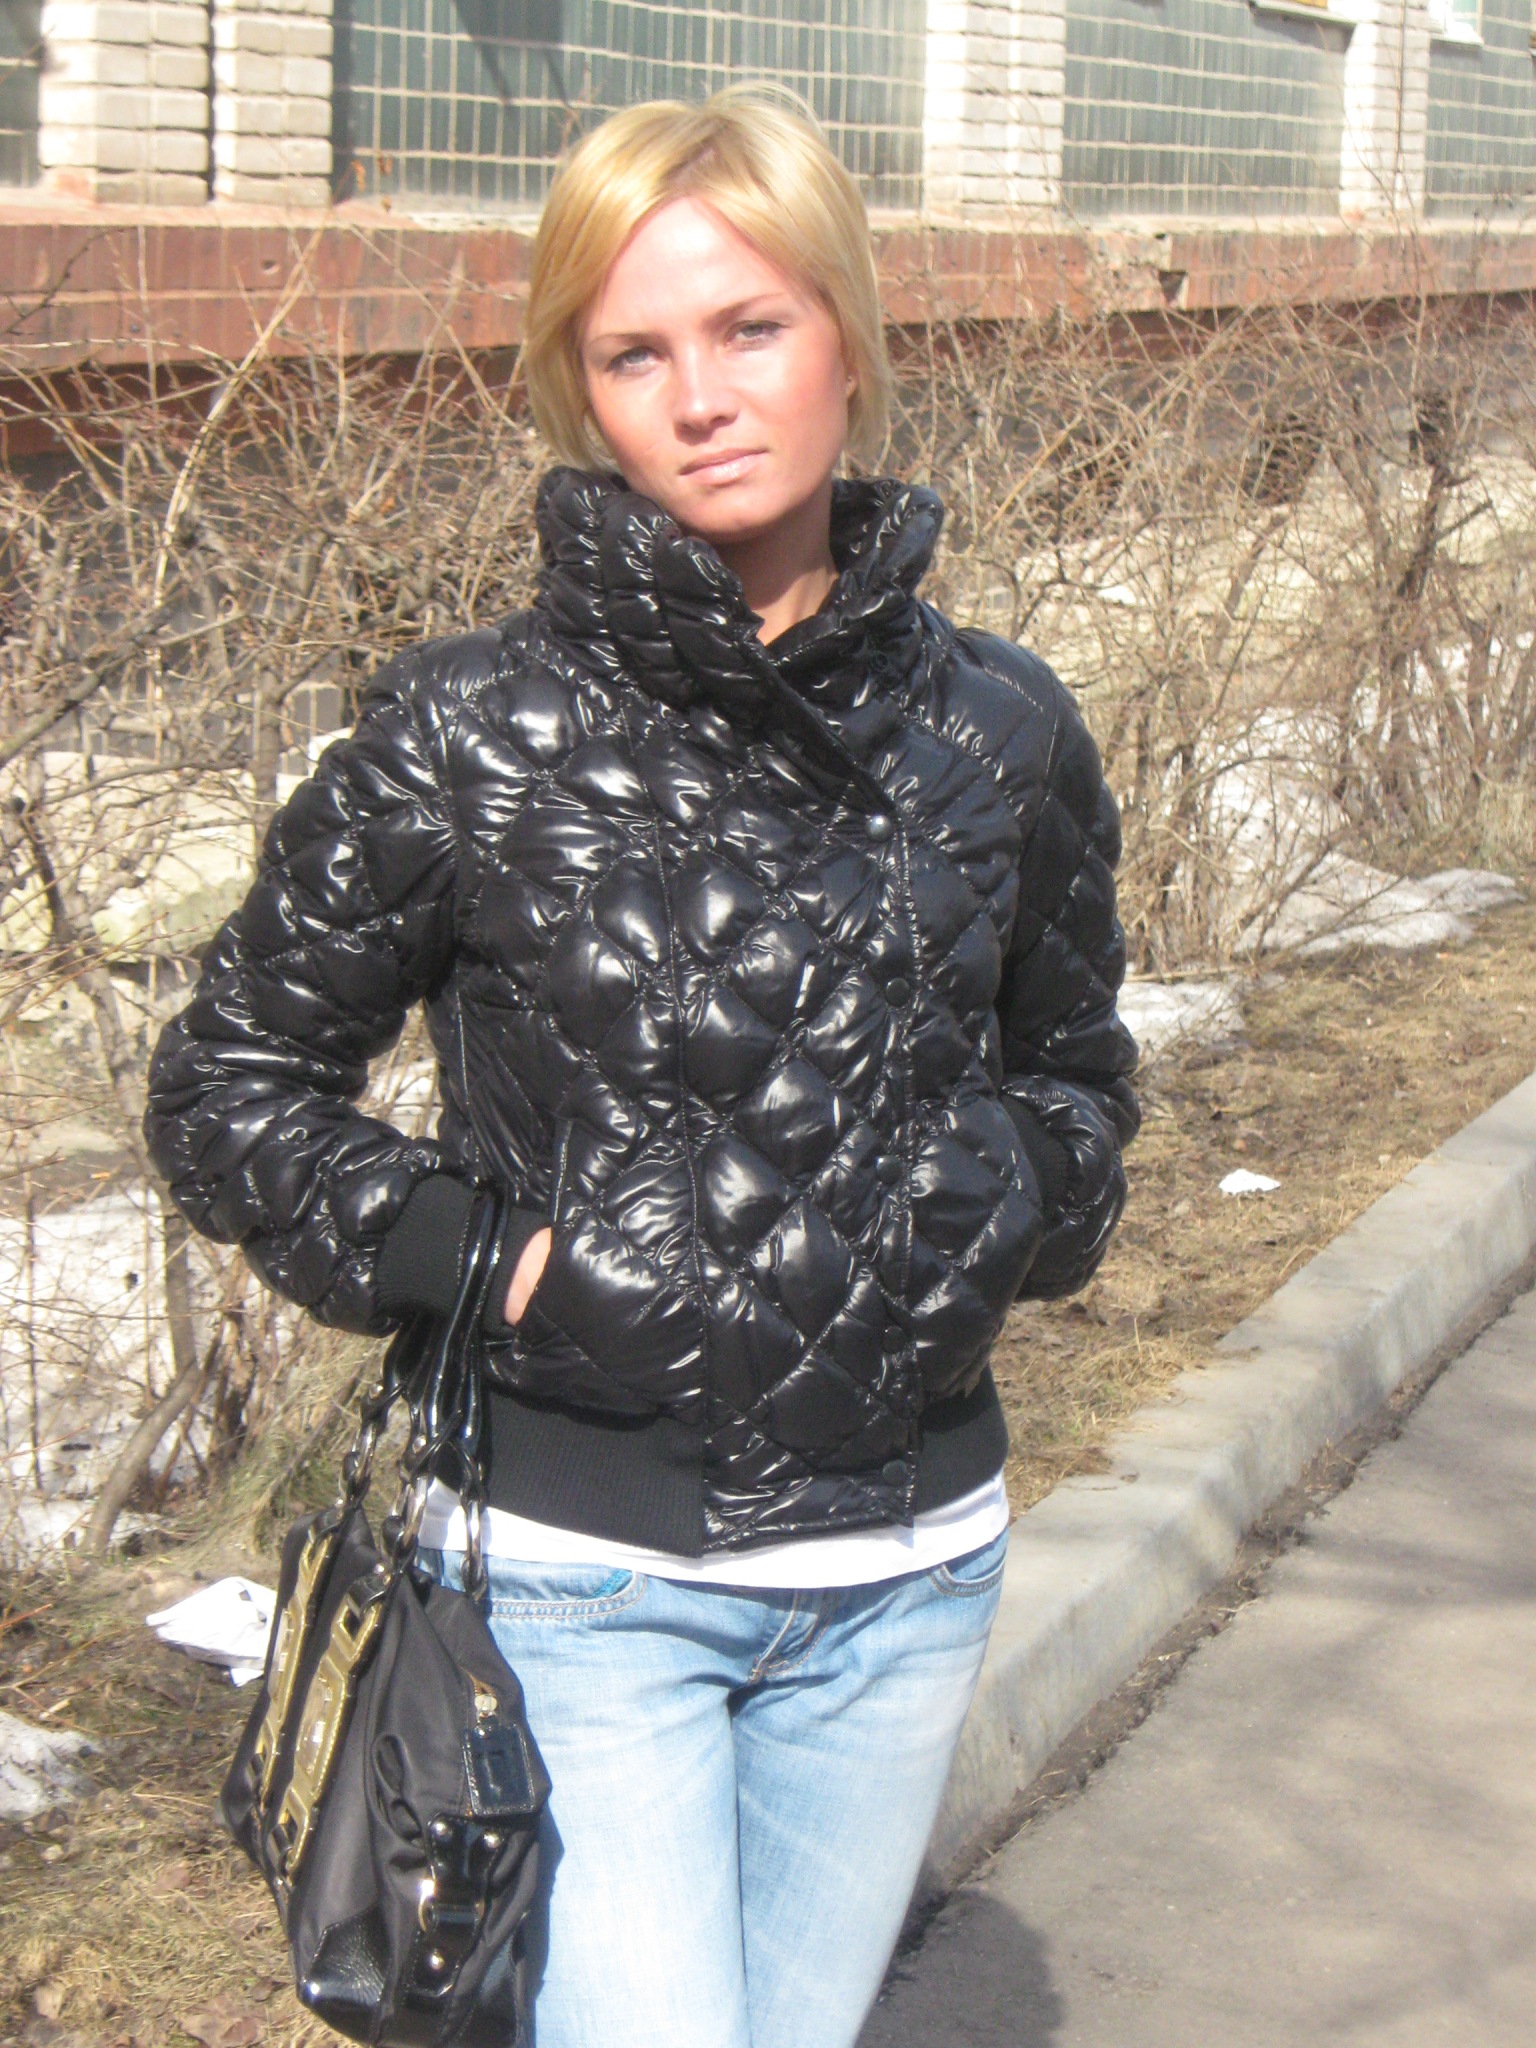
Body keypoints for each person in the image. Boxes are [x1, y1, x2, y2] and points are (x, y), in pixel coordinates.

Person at [145, 85, 1138, 2048]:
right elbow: (229, 1083)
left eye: (751, 327)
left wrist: (1000, 1200)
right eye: (633, 352)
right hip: (584, 1578)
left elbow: (1081, 1078)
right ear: (577, 390)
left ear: (847, 337)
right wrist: (480, 1257)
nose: (701, 397)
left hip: (908, 1572)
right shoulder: (467, 728)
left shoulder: (1002, 728)